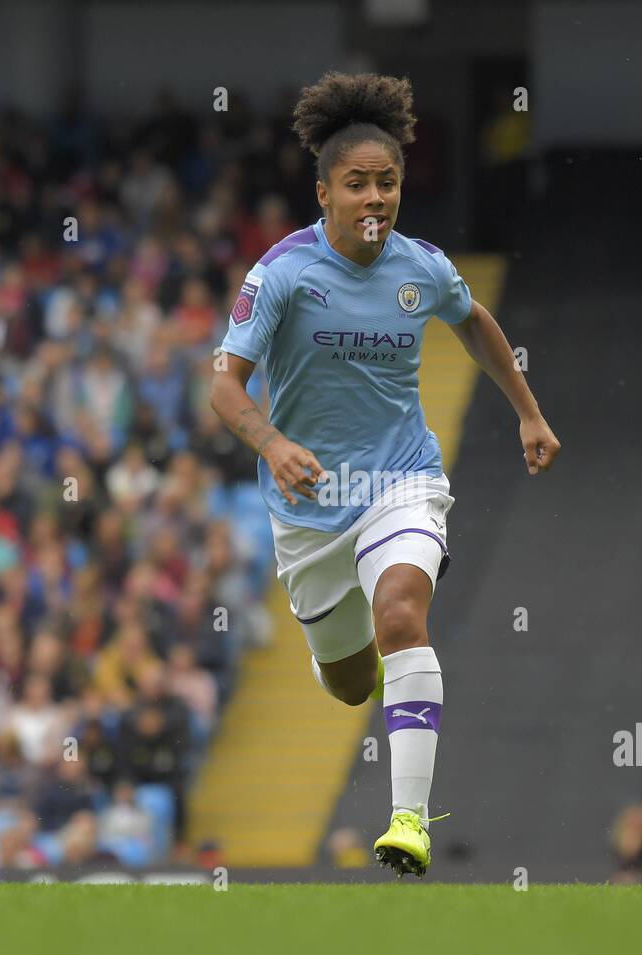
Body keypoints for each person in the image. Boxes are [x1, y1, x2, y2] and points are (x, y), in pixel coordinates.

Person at [209, 73, 560, 877]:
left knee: (403, 612)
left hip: (401, 479)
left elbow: (473, 323)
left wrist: (528, 412)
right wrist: (272, 443)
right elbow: (224, 384)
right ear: (324, 190)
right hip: (309, 509)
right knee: (348, 682)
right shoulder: (281, 275)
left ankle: (408, 822)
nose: (376, 197)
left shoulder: (423, 267)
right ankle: (368, 665)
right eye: (358, 182)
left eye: (390, 181)